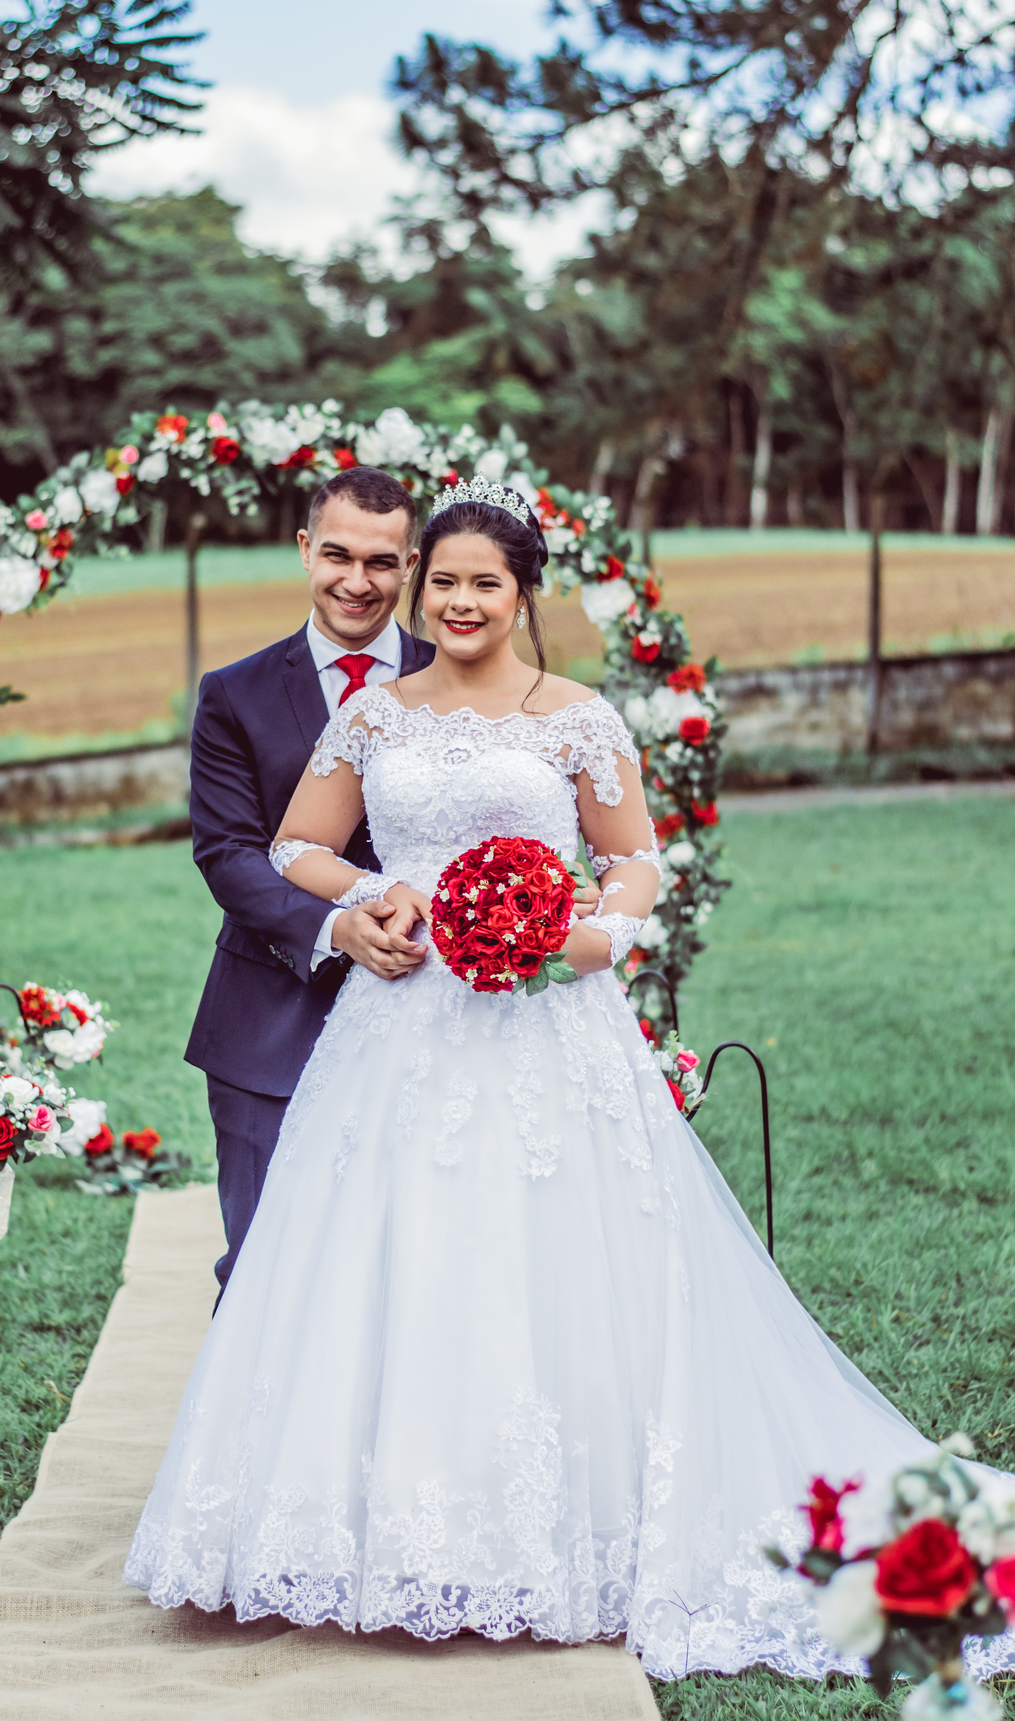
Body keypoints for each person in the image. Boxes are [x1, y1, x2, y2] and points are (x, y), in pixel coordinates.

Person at [125, 480, 965, 1680]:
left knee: (552, 1264)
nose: (461, 601)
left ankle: (566, 1527)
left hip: (547, 1030)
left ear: (525, 596)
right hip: (399, 1032)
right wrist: (374, 895)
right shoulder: (372, 720)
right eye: (447, 582)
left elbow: (632, 863)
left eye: (487, 582)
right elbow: (292, 846)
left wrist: (583, 938)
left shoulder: (578, 717)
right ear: (424, 586)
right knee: (388, 1264)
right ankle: (371, 1530)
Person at [184, 466, 434, 1296]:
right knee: (267, 1270)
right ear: (304, 550)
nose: (357, 582)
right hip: (270, 1021)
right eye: (337, 555)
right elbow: (227, 853)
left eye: (381, 562)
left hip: (434, 1013)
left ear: (411, 565)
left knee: (413, 1268)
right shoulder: (235, 695)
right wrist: (339, 927)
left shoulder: (462, 680)